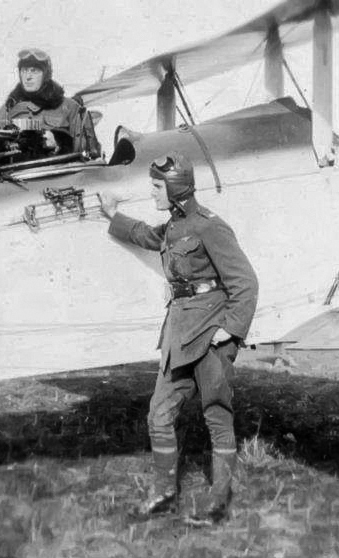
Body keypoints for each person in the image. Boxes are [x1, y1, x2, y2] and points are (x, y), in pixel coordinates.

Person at [99, 152, 259, 525]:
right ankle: (164, 492)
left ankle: (218, 501)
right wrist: (113, 217)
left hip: (210, 334)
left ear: (175, 188)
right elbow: (149, 237)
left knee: (217, 415)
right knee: (159, 413)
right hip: (179, 333)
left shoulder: (209, 226)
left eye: (157, 186)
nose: (152, 193)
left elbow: (245, 282)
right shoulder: (174, 226)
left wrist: (230, 330)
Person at [0, 47, 101, 158]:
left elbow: (89, 153)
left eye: (35, 71)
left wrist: (58, 144)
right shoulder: (8, 108)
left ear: (46, 74)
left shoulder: (70, 108)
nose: (28, 77)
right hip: (15, 172)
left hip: (60, 172)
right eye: (24, 70)